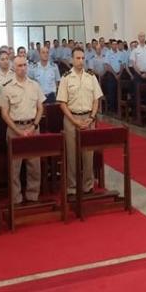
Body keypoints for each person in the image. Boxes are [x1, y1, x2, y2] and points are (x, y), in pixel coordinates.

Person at [0, 56, 45, 204]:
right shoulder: (7, 87)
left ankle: (33, 196)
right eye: (19, 66)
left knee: (34, 166)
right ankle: (16, 198)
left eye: (25, 65)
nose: (23, 68)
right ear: (14, 67)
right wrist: (17, 131)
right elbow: (4, 113)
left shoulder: (34, 85)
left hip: (32, 128)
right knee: (14, 167)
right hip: (14, 129)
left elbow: (40, 108)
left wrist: (34, 126)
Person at [57, 48, 103, 195]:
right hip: (72, 119)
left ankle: (88, 185)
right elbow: (62, 103)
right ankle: (72, 187)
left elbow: (96, 99)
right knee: (72, 155)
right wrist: (74, 120)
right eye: (77, 58)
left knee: (88, 154)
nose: (81, 61)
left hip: (88, 118)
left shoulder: (91, 76)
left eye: (83, 58)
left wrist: (91, 117)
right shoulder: (66, 77)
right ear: (72, 60)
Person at [130, 32, 146, 110]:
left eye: (143, 36)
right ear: (138, 38)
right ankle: (137, 113)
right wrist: (140, 74)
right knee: (137, 94)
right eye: (140, 36)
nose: (142, 38)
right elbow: (133, 64)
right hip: (138, 74)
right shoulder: (135, 50)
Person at [103, 40, 122, 113]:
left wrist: (119, 74)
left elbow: (122, 64)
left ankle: (117, 109)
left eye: (116, 44)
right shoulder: (108, 53)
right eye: (113, 44)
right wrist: (115, 74)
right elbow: (107, 65)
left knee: (118, 92)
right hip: (111, 75)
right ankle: (112, 109)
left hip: (118, 75)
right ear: (111, 45)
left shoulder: (119, 53)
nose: (114, 46)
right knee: (111, 92)